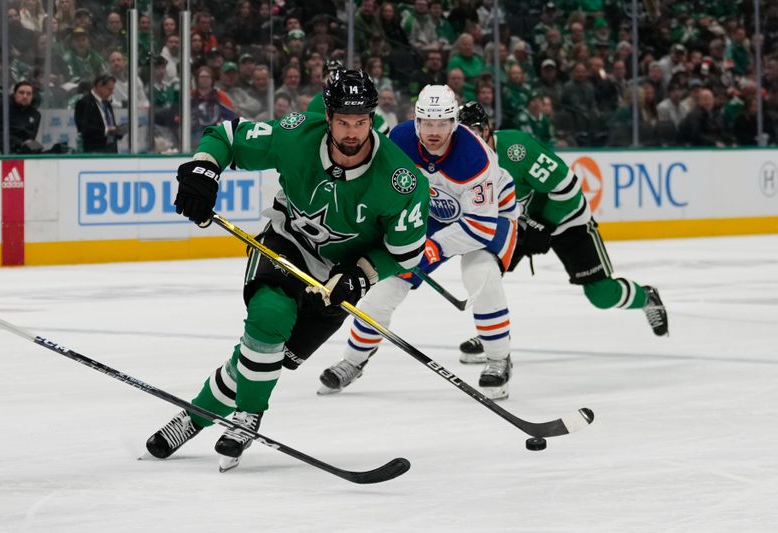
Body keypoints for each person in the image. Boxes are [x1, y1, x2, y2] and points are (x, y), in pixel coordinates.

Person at [145, 69, 430, 471]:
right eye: (344, 122)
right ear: (327, 118)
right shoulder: (297, 134)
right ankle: (247, 419)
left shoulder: (402, 181)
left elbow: (406, 253)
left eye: (361, 122)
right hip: (287, 242)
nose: (352, 132)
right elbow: (225, 136)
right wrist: (204, 169)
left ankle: (193, 417)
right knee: (268, 317)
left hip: (340, 273)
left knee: (266, 356)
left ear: (372, 119)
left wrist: (362, 274)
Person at [319, 85, 519, 400]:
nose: (434, 131)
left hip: (490, 217)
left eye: (442, 124)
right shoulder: (398, 140)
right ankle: (352, 362)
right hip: (430, 214)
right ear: (417, 122)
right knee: (383, 288)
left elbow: (480, 227)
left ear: (455, 123)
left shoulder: (476, 158)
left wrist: (432, 249)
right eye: (427, 123)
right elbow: (377, 185)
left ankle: (498, 359)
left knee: (481, 277)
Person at [455, 101, 668, 360]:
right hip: (521, 222)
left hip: (568, 219)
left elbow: (567, 188)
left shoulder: (516, 149)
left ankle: (646, 298)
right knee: (485, 271)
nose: (472, 138)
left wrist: (545, 223)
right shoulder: (462, 161)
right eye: (465, 133)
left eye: (476, 130)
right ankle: (493, 334)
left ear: (488, 128)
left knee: (601, 295)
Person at [0, 81, 41, 153]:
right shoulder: (0, 106)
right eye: (21, 92)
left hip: (20, 151)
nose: (25, 96)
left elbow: (31, 137)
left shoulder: (35, 115)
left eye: (29, 94)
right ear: (14, 94)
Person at [74, 73, 121, 153]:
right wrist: (106, 131)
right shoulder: (84, 103)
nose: (112, 92)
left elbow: (109, 123)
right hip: (95, 151)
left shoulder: (107, 103)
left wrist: (118, 131)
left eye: (113, 89)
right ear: (99, 86)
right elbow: (84, 128)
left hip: (111, 149)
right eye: (109, 89)